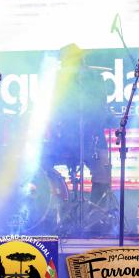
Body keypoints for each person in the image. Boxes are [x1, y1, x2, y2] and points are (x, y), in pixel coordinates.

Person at [45, 44, 112, 206]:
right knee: (40, 160)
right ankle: (55, 204)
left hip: (93, 138)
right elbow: (53, 111)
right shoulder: (58, 81)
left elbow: (100, 108)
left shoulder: (94, 78)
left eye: (65, 61)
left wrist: (90, 125)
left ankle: (95, 211)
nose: (63, 65)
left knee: (103, 169)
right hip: (66, 139)